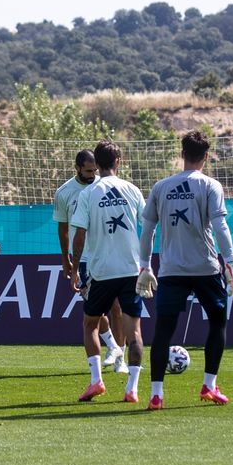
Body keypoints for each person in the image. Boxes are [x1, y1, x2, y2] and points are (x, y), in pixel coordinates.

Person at [141, 130, 233, 410]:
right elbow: (221, 227)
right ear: (206, 156)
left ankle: (156, 394)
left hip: (171, 269)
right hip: (205, 267)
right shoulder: (210, 185)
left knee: (162, 331)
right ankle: (209, 386)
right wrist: (230, 261)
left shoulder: (161, 187)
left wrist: (144, 265)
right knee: (218, 322)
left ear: (182, 154)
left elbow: (147, 229)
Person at [68, 141, 147, 402]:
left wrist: (74, 270)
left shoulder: (88, 194)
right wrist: (145, 263)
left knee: (90, 323)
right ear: (118, 161)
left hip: (101, 271)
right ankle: (132, 389)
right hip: (130, 270)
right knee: (134, 330)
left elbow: (79, 234)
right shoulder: (132, 189)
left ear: (97, 164)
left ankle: (96, 381)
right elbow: (148, 227)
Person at [55, 150, 125, 373]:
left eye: (95, 170)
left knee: (116, 306)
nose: (92, 174)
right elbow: (63, 228)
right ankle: (113, 347)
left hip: (108, 253)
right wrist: (66, 258)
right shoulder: (65, 192)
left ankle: (118, 357)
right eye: (88, 170)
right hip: (85, 258)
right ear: (77, 168)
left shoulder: (102, 187)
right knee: (95, 309)